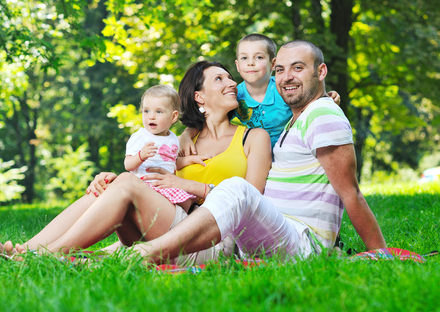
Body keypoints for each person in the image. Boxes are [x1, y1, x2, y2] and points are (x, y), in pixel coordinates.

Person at [0, 61, 272, 262]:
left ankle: (39, 256)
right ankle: (24, 250)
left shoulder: (253, 137)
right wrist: (110, 180)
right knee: (112, 183)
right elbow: (152, 177)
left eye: (230, 77)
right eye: (220, 78)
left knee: (125, 183)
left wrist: (189, 185)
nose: (232, 82)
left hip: (211, 241)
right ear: (200, 97)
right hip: (168, 225)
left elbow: (251, 201)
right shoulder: (184, 139)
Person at [132, 40, 387, 264]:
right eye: (280, 70)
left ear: (320, 72)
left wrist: (380, 252)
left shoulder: (322, 113)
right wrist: (187, 132)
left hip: (304, 243)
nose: (286, 77)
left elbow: (350, 192)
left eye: (298, 68)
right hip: (274, 230)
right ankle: (111, 256)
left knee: (238, 188)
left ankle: (144, 255)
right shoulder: (295, 120)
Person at [180, 33, 340, 153]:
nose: (250, 62)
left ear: (273, 64)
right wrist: (187, 134)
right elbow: (208, 120)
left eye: (258, 57)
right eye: (244, 58)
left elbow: (307, 100)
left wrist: (326, 97)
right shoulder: (234, 96)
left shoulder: (284, 89)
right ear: (237, 65)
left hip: (288, 152)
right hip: (252, 155)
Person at [123, 84, 194, 208]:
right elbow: (128, 164)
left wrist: (191, 160)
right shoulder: (140, 136)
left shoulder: (172, 138)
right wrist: (141, 156)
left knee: (188, 202)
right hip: (145, 184)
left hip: (165, 185)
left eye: (159, 111)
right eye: (146, 111)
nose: (151, 116)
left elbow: (172, 162)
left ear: (173, 116)